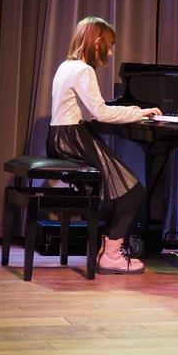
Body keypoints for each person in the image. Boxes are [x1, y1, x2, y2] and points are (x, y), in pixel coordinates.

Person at [47, 16, 162, 274]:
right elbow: (100, 113)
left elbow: (91, 110)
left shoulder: (66, 66)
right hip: (73, 138)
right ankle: (111, 255)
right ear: (97, 42)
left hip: (59, 137)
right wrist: (139, 112)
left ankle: (107, 249)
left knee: (115, 188)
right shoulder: (83, 70)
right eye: (109, 46)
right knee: (132, 191)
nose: (110, 53)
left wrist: (128, 111)